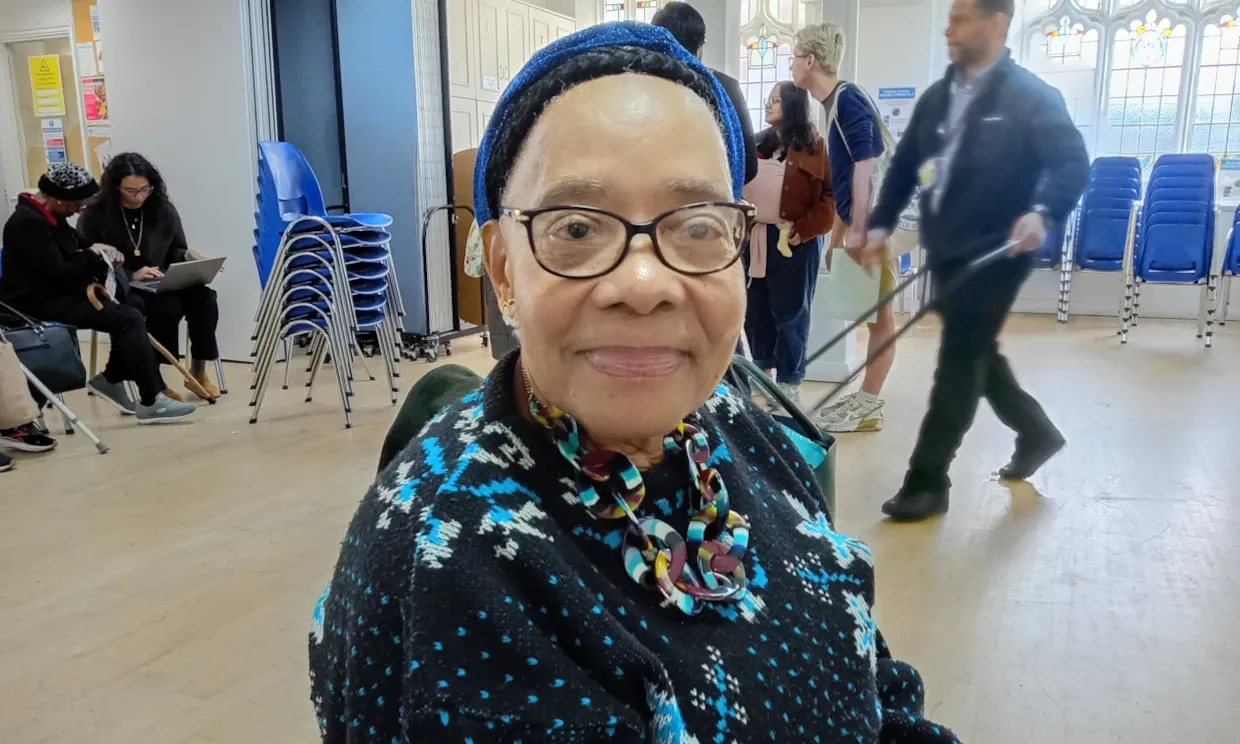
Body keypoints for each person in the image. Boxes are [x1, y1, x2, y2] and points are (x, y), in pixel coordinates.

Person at [309, 22, 958, 743]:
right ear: (501, 269)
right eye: (578, 228)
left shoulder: (742, 433)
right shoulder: (452, 567)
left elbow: (872, 674)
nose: (645, 283)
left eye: (699, 224)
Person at [860, 0, 1088, 521]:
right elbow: (903, 169)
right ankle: (1037, 432)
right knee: (977, 350)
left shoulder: (1031, 97)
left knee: (960, 358)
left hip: (997, 252)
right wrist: (879, 224)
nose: (949, 27)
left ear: (997, 23)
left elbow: (1073, 163)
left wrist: (1042, 212)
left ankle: (927, 480)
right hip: (947, 248)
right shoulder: (939, 98)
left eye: (961, 18)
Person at [0, 163, 196, 424]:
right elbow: (59, 271)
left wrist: (101, 249)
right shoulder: (27, 225)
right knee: (128, 318)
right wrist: (93, 256)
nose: (80, 208)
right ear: (57, 198)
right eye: (76, 202)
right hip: (35, 303)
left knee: (133, 307)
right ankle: (150, 397)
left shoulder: (51, 218)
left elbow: (77, 246)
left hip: (57, 295)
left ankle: (113, 379)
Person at [791, 22, 898, 433]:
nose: (792, 66)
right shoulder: (834, 103)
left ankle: (870, 403)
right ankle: (867, 399)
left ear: (811, 60)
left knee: (880, 318)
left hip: (874, 226)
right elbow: (844, 181)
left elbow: (866, 164)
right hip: (863, 223)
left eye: (795, 57)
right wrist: (838, 233)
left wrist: (859, 229)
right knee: (869, 315)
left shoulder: (848, 97)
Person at [78, 152, 223, 399]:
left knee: (204, 298)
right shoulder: (94, 214)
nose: (139, 197)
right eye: (131, 191)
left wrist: (188, 256)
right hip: (119, 285)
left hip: (160, 279)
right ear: (115, 188)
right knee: (164, 306)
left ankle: (198, 371)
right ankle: (154, 379)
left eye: (145, 189)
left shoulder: (162, 209)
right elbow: (88, 259)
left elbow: (175, 249)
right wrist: (131, 273)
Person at [742, 82, 834, 408]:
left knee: (791, 315)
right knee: (756, 313)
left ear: (793, 105)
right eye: (768, 100)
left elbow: (830, 198)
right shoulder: (755, 143)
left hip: (795, 242)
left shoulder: (817, 148)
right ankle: (763, 378)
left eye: (776, 101)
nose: (769, 105)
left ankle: (790, 384)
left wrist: (804, 229)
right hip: (754, 240)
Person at [652, 1, 758, 185]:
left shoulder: (642, 86)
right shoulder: (726, 87)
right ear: (700, 46)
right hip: (710, 204)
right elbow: (748, 166)